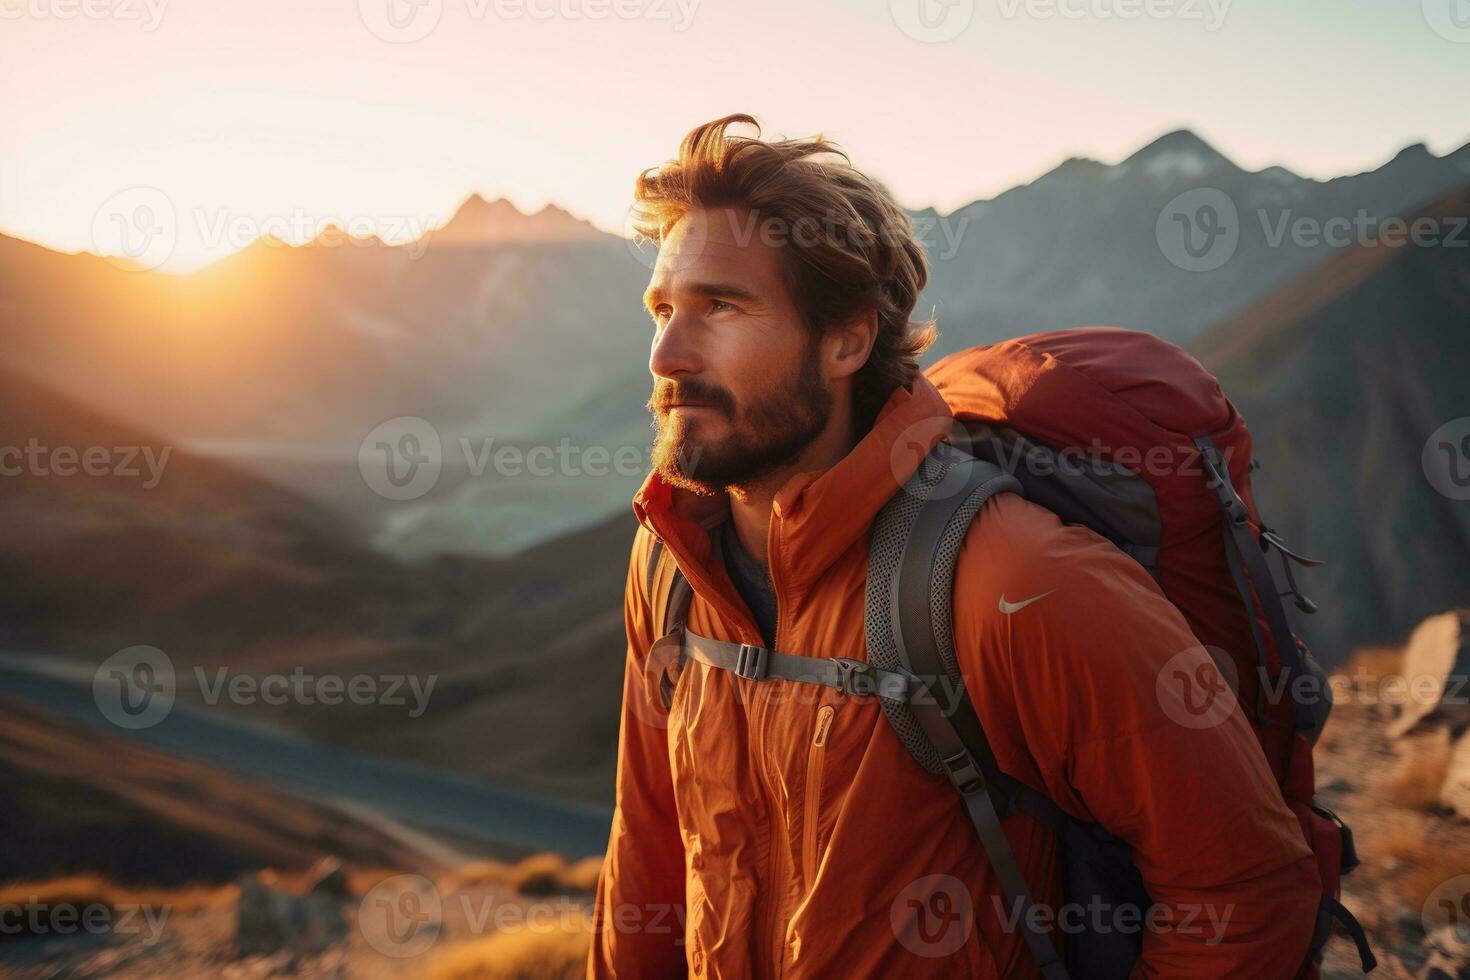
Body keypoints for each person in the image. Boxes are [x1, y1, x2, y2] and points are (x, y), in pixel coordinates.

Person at [588, 114, 1321, 979]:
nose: (668, 353)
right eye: (664, 308)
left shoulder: (1015, 581)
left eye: (721, 306)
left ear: (848, 339)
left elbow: (1244, 889)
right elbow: (649, 858)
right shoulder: (673, 563)